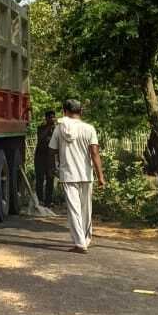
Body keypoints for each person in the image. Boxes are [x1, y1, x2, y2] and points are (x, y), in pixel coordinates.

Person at [49, 99, 105, 253]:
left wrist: (54, 167)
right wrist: (100, 176)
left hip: (68, 174)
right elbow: (94, 153)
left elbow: (51, 150)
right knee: (86, 209)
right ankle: (85, 240)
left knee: (73, 209)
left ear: (64, 111)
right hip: (86, 175)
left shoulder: (59, 129)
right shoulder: (89, 129)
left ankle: (79, 243)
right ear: (81, 112)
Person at [34, 110, 58, 207]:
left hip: (51, 158)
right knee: (40, 179)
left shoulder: (56, 129)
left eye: (53, 117)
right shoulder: (41, 128)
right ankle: (40, 199)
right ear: (46, 118)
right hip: (40, 157)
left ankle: (49, 201)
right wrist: (49, 128)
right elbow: (41, 138)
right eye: (50, 117)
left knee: (50, 179)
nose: (52, 119)